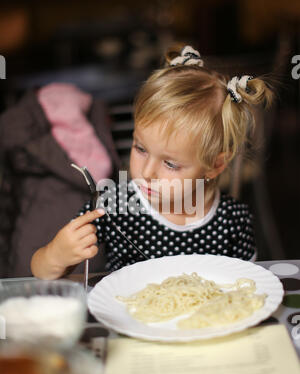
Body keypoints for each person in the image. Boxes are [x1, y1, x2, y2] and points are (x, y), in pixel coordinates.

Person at [31, 44, 274, 281]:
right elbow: (39, 271)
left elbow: (246, 288)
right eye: (140, 149)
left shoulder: (232, 221)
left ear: (215, 165)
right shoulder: (114, 206)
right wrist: (56, 255)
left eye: (170, 164)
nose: (147, 172)